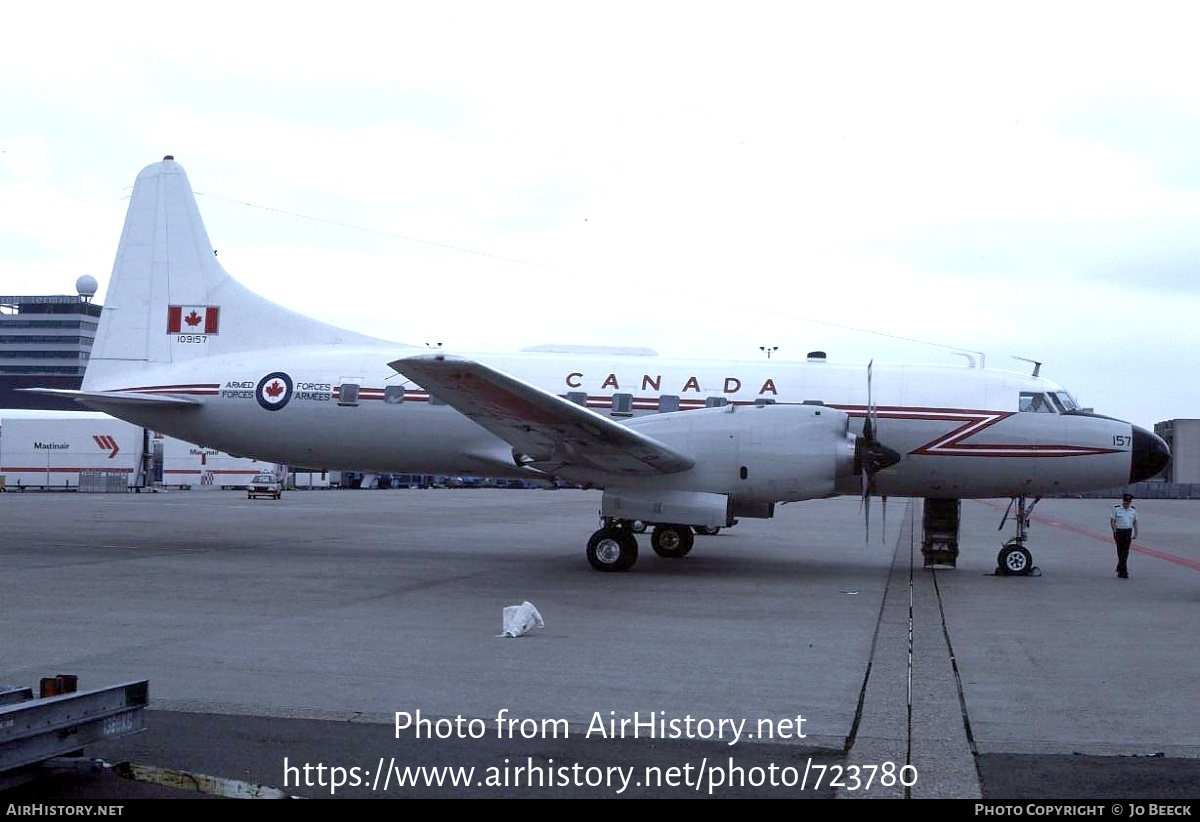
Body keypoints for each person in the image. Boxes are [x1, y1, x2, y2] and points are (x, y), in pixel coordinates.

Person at [1110, 493, 1138, 578]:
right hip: (1119, 531)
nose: (1127, 503)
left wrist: (1136, 533)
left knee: (1125, 552)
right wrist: (1114, 530)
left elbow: (1135, 522)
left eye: (1128, 502)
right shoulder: (1116, 509)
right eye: (1126, 502)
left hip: (1128, 532)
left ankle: (1121, 568)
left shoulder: (1133, 510)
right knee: (1120, 551)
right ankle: (1123, 571)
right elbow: (1112, 521)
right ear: (1123, 501)